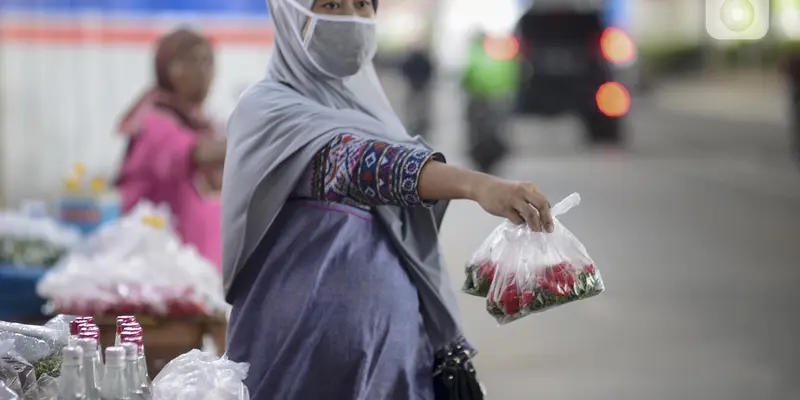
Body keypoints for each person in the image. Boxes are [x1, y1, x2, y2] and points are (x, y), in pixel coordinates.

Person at [222, 1, 554, 399]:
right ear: (291, 15)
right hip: (296, 360)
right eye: (331, 4)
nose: (353, 19)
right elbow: (355, 164)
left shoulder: (377, 116)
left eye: (363, 4)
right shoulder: (267, 108)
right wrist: (477, 186)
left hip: (393, 364)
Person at [115, 28, 225, 271]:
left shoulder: (203, 123)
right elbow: (196, 153)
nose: (202, 70)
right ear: (166, 69)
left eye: (208, 61)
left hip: (199, 273)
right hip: (159, 273)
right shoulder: (153, 121)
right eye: (190, 61)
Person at [461, 29, 519, 173]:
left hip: (480, 98)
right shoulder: (502, 53)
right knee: (498, 130)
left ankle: (481, 157)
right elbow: (512, 74)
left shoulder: (476, 54)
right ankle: (493, 157)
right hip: (500, 97)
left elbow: (468, 76)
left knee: (477, 131)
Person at [400, 41, 435, 139]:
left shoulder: (421, 58)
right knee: (415, 109)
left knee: (421, 109)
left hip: (420, 86)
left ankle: (421, 126)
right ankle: (416, 126)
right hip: (415, 85)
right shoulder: (414, 58)